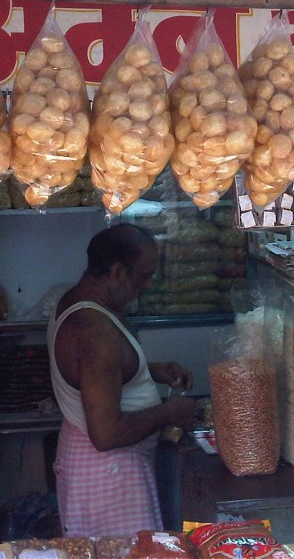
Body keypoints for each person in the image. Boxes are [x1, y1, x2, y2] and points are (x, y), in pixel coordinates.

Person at [47, 223, 198, 537]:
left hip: (96, 469)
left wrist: (147, 370)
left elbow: (92, 373)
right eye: (144, 275)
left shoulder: (75, 301)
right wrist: (170, 413)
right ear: (117, 272)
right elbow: (106, 434)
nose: (148, 284)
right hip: (109, 476)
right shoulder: (95, 331)